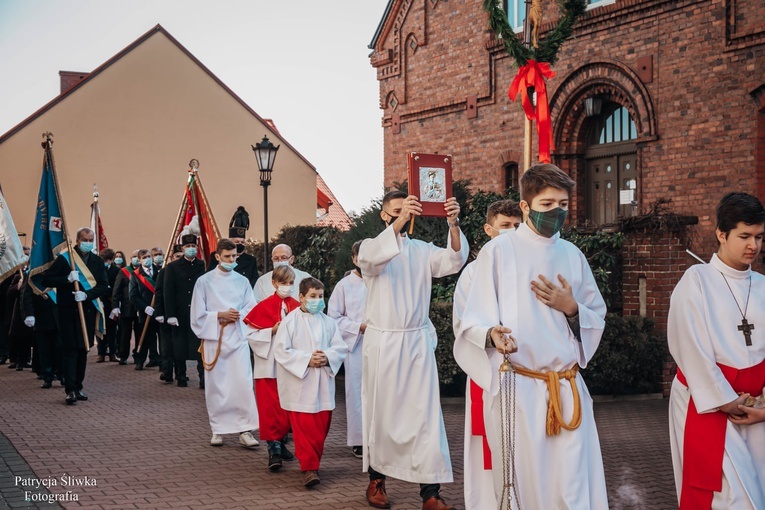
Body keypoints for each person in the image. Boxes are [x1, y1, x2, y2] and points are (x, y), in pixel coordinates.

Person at [456, 164, 608, 509]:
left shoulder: (572, 254)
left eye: (564, 204)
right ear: (525, 207)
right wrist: (491, 333)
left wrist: (572, 309)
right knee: (523, 484)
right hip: (518, 390)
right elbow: (472, 319)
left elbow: (595, 318)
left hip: (566, 389)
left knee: (572, 486)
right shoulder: (499, 251)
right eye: (547, 204)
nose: (557, 212)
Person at [358, 189, 468, 510]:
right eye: (396, 211)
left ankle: (430, 494)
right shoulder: (370, 247)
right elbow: (372, 259)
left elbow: (454, 260)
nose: (403, 215)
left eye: (408, 210)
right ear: (385, 215)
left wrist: (453, 224)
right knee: (383, 415)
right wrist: (400, 221)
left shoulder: (421, 250)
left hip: (416, 342)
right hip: (384, 344)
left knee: (425, 416)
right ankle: (377, 481)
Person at [668, 191, 765, 509]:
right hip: (708, 403)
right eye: (745, 236)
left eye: (760, 237)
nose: (754, 245)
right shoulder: (696, 281)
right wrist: (726, 400)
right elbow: (690, 348)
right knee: (729, 499)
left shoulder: (764, 286)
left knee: (759, 490)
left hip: (757, 409)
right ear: (721, 234)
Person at [452, 199, 521, 510]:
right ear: (489, 230)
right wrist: (490, 336)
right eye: (505, 226)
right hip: (489, 368)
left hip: (529, 370)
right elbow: (463, 324)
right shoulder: (472, 274)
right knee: (488, 450)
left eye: (518, 226)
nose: (512, 232)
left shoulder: (529, 265)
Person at [273, 277, 348, 488]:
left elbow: (340, 347)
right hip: (301, 384)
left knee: (321, 428)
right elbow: (281, 350)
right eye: (313, 296)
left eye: (321, 296)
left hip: (323, 383)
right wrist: (307, 359)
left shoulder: (328, 322)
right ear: (301, 297)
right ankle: (309, 468)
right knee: (304, 428)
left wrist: (327, 357)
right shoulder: (290, 321)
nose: (317, 300)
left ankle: (313, 462)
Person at [190, 238, 260, 448]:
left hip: (237, 338)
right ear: (217, 256)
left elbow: (251, 309)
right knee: (217, 386)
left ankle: (245, 430)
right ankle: (218, 428)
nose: (231, 260)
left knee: (243, 385)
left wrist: (238, 316)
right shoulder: (204, 281)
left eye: (234, 256)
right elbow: (197, 314)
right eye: (227, 256)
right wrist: (219, 315)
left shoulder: (242, 281)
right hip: (215, 338)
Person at [41, 227, 108, 405]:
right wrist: (67, 279)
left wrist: (87, 295)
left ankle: (79, 386)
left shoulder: (97, 261)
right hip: (68, 312)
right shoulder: (66, 259)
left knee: (83, 349)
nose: (88, 243)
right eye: (85, 239)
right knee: (70, 350)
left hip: (86, 310)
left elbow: (103, 285)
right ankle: (70, 389)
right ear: (78, 240)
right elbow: (46, 279)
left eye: (90, 240)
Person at [244, 264, 299, 471]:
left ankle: (281, 441)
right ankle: (273, 448)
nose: (288, 286)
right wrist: (271, 331)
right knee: (270, 407)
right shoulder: (263, 306)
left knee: (288, 406)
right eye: (284, 283)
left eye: (291, 283)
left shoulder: (297, 306)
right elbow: (251, 335)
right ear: (274, 283)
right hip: (268, 365)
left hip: (290, 365)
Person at [327, 240, 367, 458]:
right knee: (357, 392)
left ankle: (381, 438)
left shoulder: (381, 280)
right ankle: (359, 439)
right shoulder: (343, 286)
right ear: (354, 258)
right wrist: (358, 327)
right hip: (357, 345)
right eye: (360, 257)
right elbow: (333, 317)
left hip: (382, 344)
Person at [164, 235, 206, 388]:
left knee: (200, 347)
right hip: (180, 312)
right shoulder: (173, 267)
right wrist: (171, 315)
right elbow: (168, 292)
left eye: (193, 246)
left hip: (198, 312)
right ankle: (181, 376)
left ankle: (203, 377)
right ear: (182, 249)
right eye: (187, 246)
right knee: (179, 346)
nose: (190, 249)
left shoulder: (203, 265)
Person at [21, 274, 60, 388]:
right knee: (44, 350)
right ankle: (47, 376)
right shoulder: (33, 273)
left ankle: (62, 374)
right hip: (42, 318)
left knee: (61, 349)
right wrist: (29, 314)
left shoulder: (61, 270)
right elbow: (26, 296)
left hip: (60, 318)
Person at [155, 244, 183, 383]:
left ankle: (179, 372)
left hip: (180, 314)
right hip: (166, 314)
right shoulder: (164, 272)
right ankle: (167, 372)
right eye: (177, 257)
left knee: (179, 345)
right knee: (167, 346)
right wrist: (159, 312)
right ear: (172, 257)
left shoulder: (184, 271)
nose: (179, 259)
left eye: (181, 257)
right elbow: (159, 293)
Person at [129, 249, 161, 370]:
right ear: (140, 260)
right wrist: (144, 307)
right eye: (144, 257)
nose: (147, 259)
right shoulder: (135, 274)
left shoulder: (160, 271)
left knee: (161, 338)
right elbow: (133, 295)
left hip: (158, 311)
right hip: (145, 312)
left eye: (148, 256)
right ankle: (140, 360)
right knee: (144, 337)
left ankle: (160, 361)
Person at [208, 213, 260, 287]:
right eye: (236, 242)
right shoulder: (216, 256)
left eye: (242, 242)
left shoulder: (250, 260)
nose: (240, 244)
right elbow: (210, 276)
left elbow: (254, 280)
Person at [113, 249, 141, 365]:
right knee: (125, 334)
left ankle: (138, 355)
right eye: (134, 256)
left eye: (138, 257)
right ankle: (123, 355)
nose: (135, 259)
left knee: (140, 333)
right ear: (130, 259)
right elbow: (117, 290)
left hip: (140, 307)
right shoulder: (124, 272)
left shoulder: (144, 271)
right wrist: (115, 306)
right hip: (126, 307)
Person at [98, 248, 119, 363]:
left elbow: (117, 287)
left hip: (111, 303)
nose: (105, 262)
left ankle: (112, 353)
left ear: (111, 260)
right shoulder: (98, 270)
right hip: (101, 302)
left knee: (112, 330)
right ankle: (101, 353)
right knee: (101, 328)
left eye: (107, 260)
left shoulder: (116, 270)